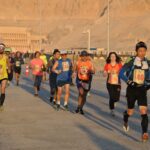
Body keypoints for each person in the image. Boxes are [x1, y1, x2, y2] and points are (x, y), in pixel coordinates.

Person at [119, 41, 150, 142]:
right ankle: (125, 117)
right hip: (132, 89)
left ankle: (144, 133)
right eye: (140, 51)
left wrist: (148, 84)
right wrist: (129, 81)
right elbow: (121, 73)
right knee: (130, 111)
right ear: (136, 51)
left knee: (143, 111)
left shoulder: (148, 63)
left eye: (144, 51)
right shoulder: (131, 62)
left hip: (142, 89)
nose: (142, 53)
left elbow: (149, 76)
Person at [103, 52, 122, 116]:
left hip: (117, 84)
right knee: (111, 96)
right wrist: (105, 73)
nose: (113, 58)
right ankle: (112, 110)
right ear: (109, 58)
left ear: (116, 57)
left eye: (114, 56)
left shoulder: (119, 65)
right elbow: (104, 73)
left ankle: (114, 102)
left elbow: (122, 72)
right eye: (111, 56)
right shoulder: (107, 65)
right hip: (109, 83)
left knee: (116, 98)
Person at [0, 43, 10, 110]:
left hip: (4, 75)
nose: (1, 49)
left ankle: (1, 104)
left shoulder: (5, 56)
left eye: (2, 48)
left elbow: (8, 64)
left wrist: (9, 69)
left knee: (3, 89)